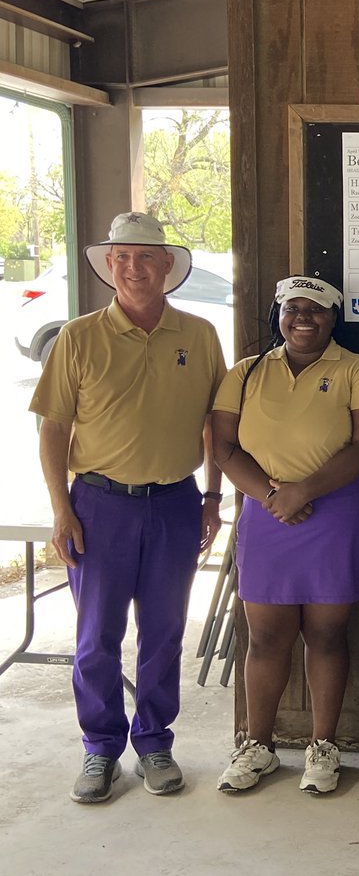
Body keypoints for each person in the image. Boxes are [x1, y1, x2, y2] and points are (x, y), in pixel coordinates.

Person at [30, 212, 226, 802]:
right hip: (98, 505)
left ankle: (155, 741)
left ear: (168, 266)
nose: (134, 268)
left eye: (146, 257)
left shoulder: (198, 335)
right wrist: (62, 511)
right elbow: (52, 430)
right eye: (122, 258)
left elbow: (217, 424)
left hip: (174, 503)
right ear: (108, 265)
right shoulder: (79, 336)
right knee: (96, 636)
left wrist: (214, 496)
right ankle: (99, 750)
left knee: (165, 631)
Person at [211, 276, 359, 794]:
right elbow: (223, 447)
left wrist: (302, 491)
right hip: (267, 517)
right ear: (278, 315)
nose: (304, 318)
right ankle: (258, 746)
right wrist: (274, 498)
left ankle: (323, 747)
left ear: (334, 319)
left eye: (317, 310)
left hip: (336, 515)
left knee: (327, 634)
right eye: (293, 309)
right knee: (266, 637)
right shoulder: (245, 373)